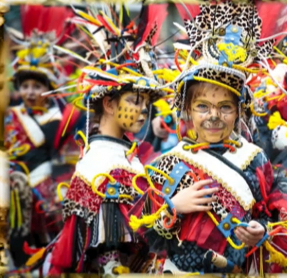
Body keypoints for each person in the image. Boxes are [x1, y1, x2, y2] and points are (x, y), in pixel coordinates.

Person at [128, 2, 276, 274]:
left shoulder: (256, 158)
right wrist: (174, 207)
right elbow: (139, 234)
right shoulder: (167, 164)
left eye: (225, 107)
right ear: (186, 110)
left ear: (239, 110)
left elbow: (270, 215)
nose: (214, 116)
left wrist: (261, 229)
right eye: (203, 106)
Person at [44, 6, 167, 276]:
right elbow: (100, 247)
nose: (144, 110)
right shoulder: (99, 160)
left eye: (146, 103)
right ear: (110, 104)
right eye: (136, 101)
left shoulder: (127, 157)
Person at [5, 6, 79, 269]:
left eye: (37, 87)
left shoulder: (58, 119)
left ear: (48, 90)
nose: (30, 92)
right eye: (25, 86)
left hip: (45, 185)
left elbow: (54, 150)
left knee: (47, 234)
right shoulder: (10, 114)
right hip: (12, 183)